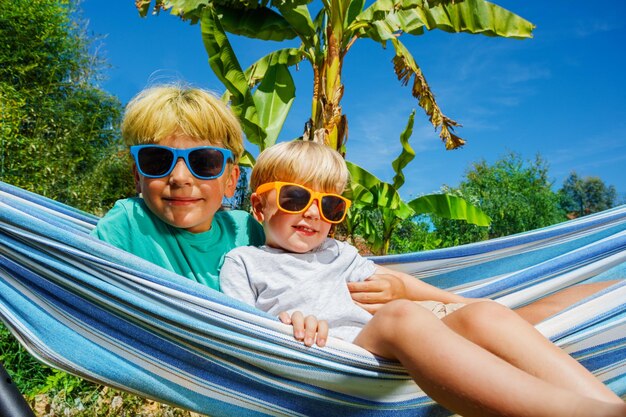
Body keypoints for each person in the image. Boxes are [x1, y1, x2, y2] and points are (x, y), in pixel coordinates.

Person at [220, 140, 626, 417]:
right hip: (335, 364)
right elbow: (234, 333)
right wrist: (282, 325)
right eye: (295, 198)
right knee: (402, 317)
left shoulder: (341, 253)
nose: (312, 213)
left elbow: (402, 287)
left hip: (396, 356)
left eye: (330, 205)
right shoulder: (245, 262)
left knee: (484, 315)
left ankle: (606, 406)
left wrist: (469, 303)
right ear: (258, 207)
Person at [92, 84, 265, 289]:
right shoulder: (128, 222)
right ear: (138, 176)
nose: (180, 177)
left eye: (204, 162)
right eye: (157, 160)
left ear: (231, 180)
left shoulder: (246, 231)